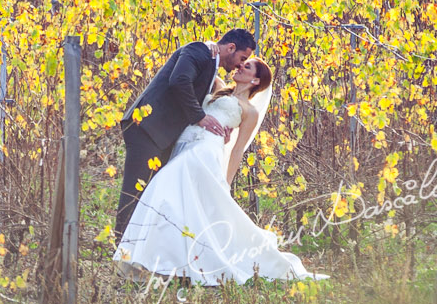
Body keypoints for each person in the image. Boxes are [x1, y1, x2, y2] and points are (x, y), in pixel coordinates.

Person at [113, 59, 328, 285]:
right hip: (184, 144)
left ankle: (146, 256)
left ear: (255, 80)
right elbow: (204, 64)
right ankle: (167, 262)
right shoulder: (218, 87)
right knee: (183, 205)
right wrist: (210, 46)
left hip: (204, 151)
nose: (240, 67)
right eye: (241, 64)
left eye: (247, 67)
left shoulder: (249, 111)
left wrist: (226, 182)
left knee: (161, 187)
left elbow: (237, 149)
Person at [114, 29, 256, 242]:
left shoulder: (211, 63)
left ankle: (142, 248)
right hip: (147, 128)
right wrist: (200, 117)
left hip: (164, 135)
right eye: (242, 59)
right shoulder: (198, 50)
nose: (239, 65)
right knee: (135, 192)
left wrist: (222, 122)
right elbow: (179, 81)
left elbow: (203, 94)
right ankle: (121, 247)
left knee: (152, 194)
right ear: (231, 47)